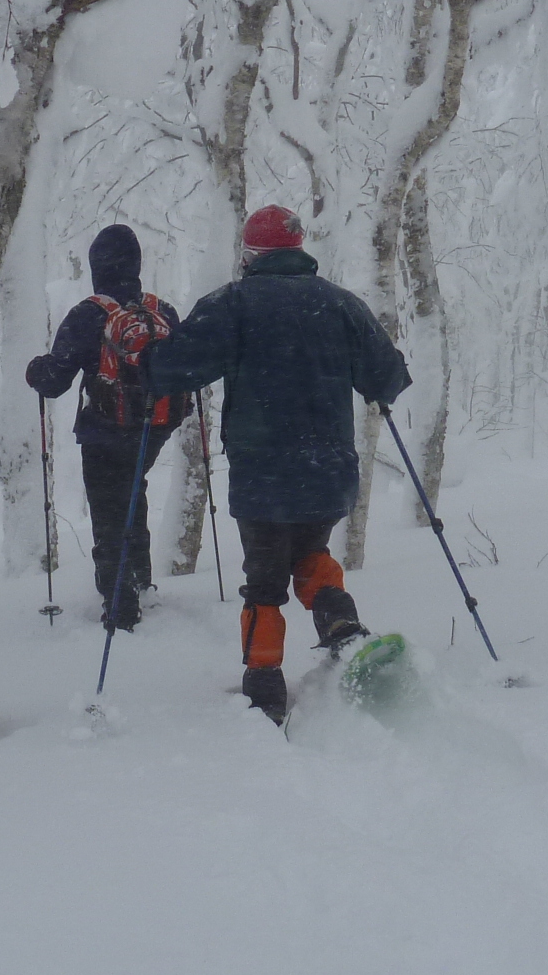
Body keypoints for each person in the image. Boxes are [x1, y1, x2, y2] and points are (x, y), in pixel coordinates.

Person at [144, 204, 410, 724]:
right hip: (328, 466)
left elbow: (174, 369)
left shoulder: (231, 304)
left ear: (250, 254)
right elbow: (389, 375)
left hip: (262, 469)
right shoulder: (339, 304)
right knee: (310, 550)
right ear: (299, 248)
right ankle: (341, 624)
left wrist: (152, 356)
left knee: (264, 579)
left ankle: (264, 684)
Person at [23, 223, 186, 630]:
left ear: (97, 267)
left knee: (108, 508)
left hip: (104, 431)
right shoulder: (162, 311)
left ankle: (119, 601)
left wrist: (35, 370)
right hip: (153, 426)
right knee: (133, 489)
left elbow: (54, 381)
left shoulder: (87, 315)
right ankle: (141, 579)